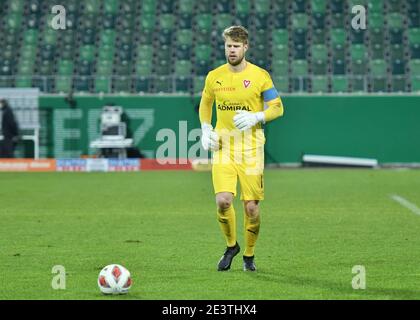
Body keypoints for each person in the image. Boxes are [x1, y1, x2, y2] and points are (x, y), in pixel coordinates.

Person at [199, 26, 284, 272]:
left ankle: (249, 254)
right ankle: (230, 246)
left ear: (245, 47)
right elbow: (206, 103)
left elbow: (277, 108)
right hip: (223, 147)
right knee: (223, 201)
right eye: (228, 46)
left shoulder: (260, 76)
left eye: (236, 46)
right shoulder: (214, 76)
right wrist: (206, 129)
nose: (232, 50)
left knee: (251, 207)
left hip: (251, 149)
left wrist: (257, 116)